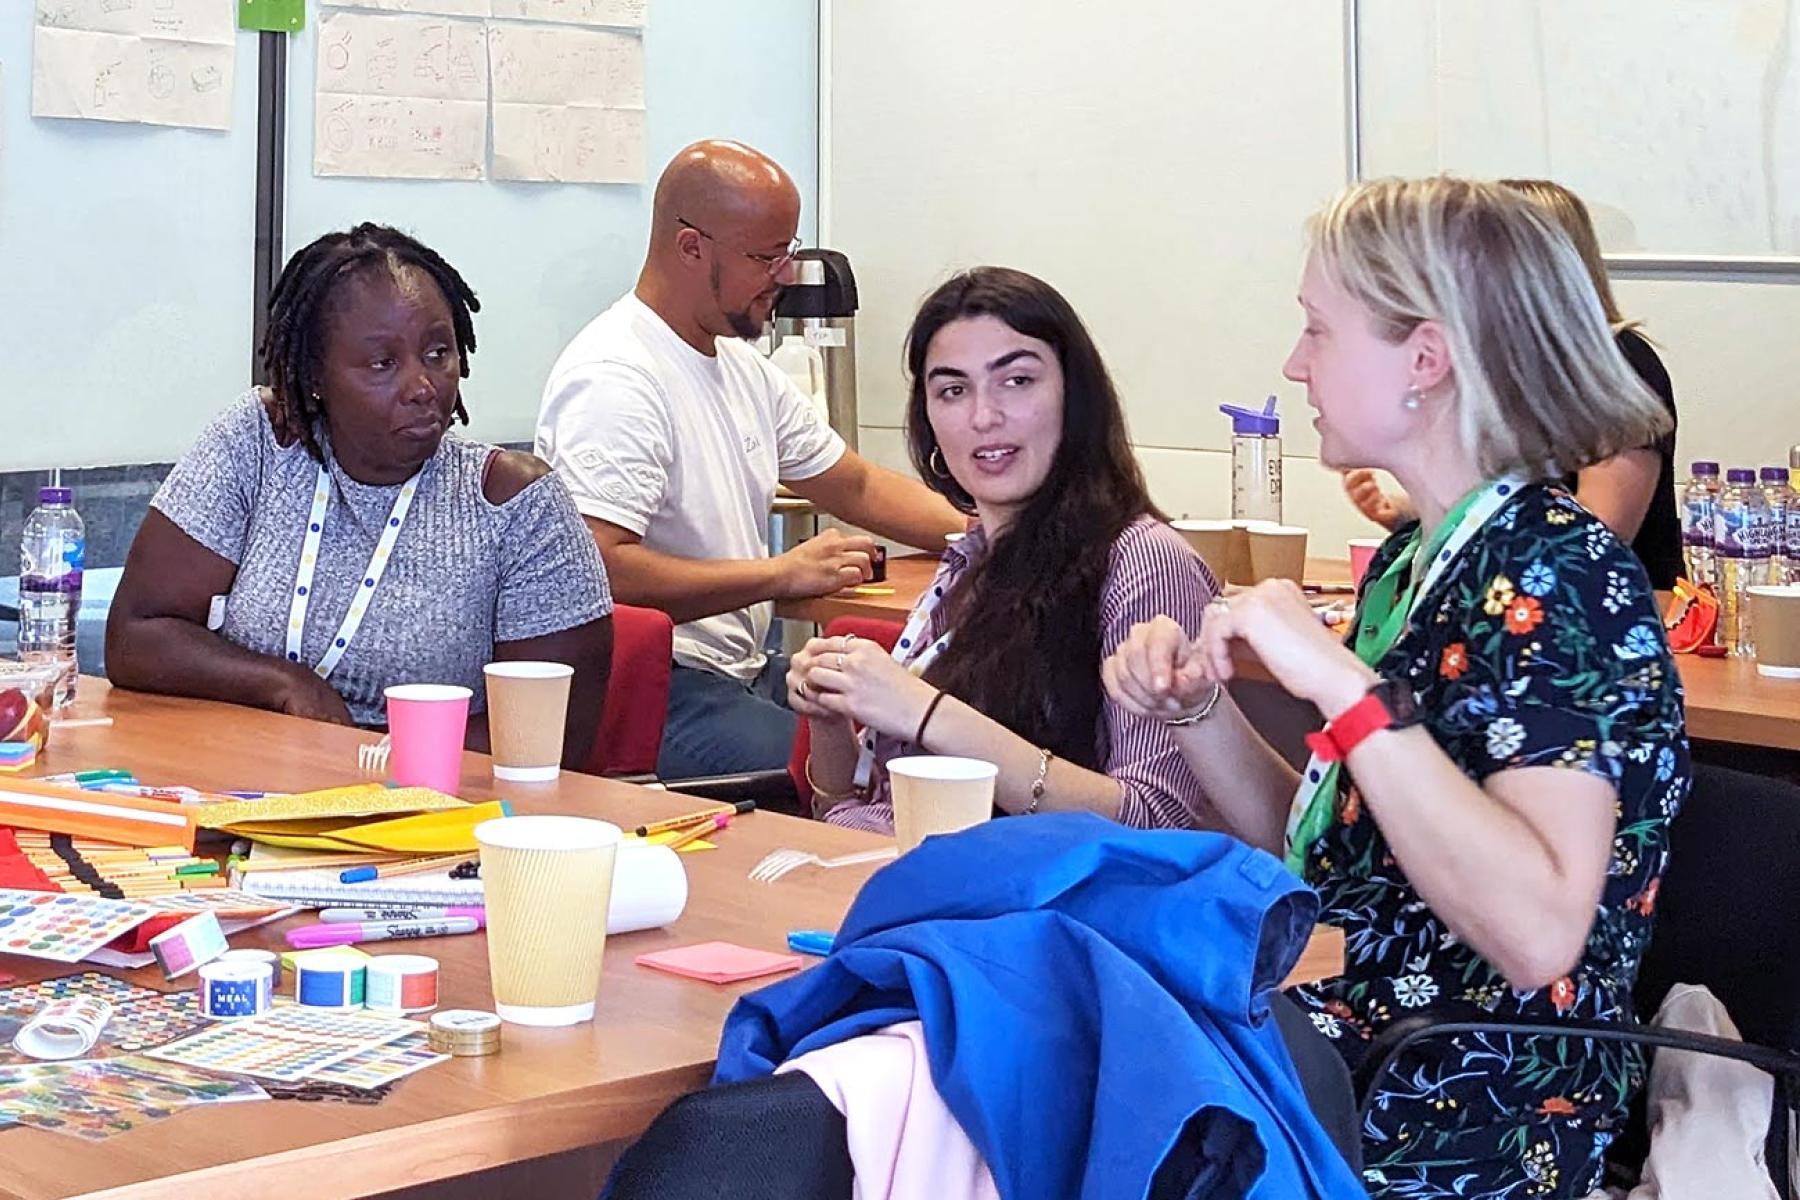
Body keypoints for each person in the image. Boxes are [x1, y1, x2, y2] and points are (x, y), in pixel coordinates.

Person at [1105, 177, 1689, 1196]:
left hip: (1461, 1110)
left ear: (1424, 358)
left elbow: (1537, 932)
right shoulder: (1426, 559)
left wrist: (1338, 680)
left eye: (1317, 331)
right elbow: (1346, 853)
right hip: (1348, 1055)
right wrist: (1197, 710)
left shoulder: (1558, 572)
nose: (1295, 363)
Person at [536, 139, 965, 781]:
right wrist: (777, 575)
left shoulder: (736, 363)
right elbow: (600, 574)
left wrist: (986, 534)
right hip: (658, 691)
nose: (785, 276)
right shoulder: (615, 377)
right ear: (691, 248)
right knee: (863, 778)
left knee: (922, 745)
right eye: (767, 257)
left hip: (738, 671)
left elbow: (854, 483)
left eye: (787, 252)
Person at [108, 224, 614, 769]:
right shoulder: (258, 443)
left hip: (432, 811)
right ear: (315, 376)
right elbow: (137, 636)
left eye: (438, 353)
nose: (423, 386)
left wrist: (354, 765)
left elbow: (546, 745)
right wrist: (282, 684)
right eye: (383, 364)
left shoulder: (516, 505)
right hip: (244, 780)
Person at [793, 267, 1218, 832]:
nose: (983, 417)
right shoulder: (970, 560)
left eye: (1016, 381)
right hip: (886, 883)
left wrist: (924, 712)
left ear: (1075, 395)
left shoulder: (1142, 560)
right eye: (952, 390)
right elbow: (857, 815)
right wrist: (830, 719)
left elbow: (1155, 821)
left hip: (1031, 909)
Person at [1345, 177, 1681, 592]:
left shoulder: (1620, 362)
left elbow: (1597, 534)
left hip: (1608, 619)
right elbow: (1495, 499)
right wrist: (1409, 514)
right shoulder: (1505, 370)